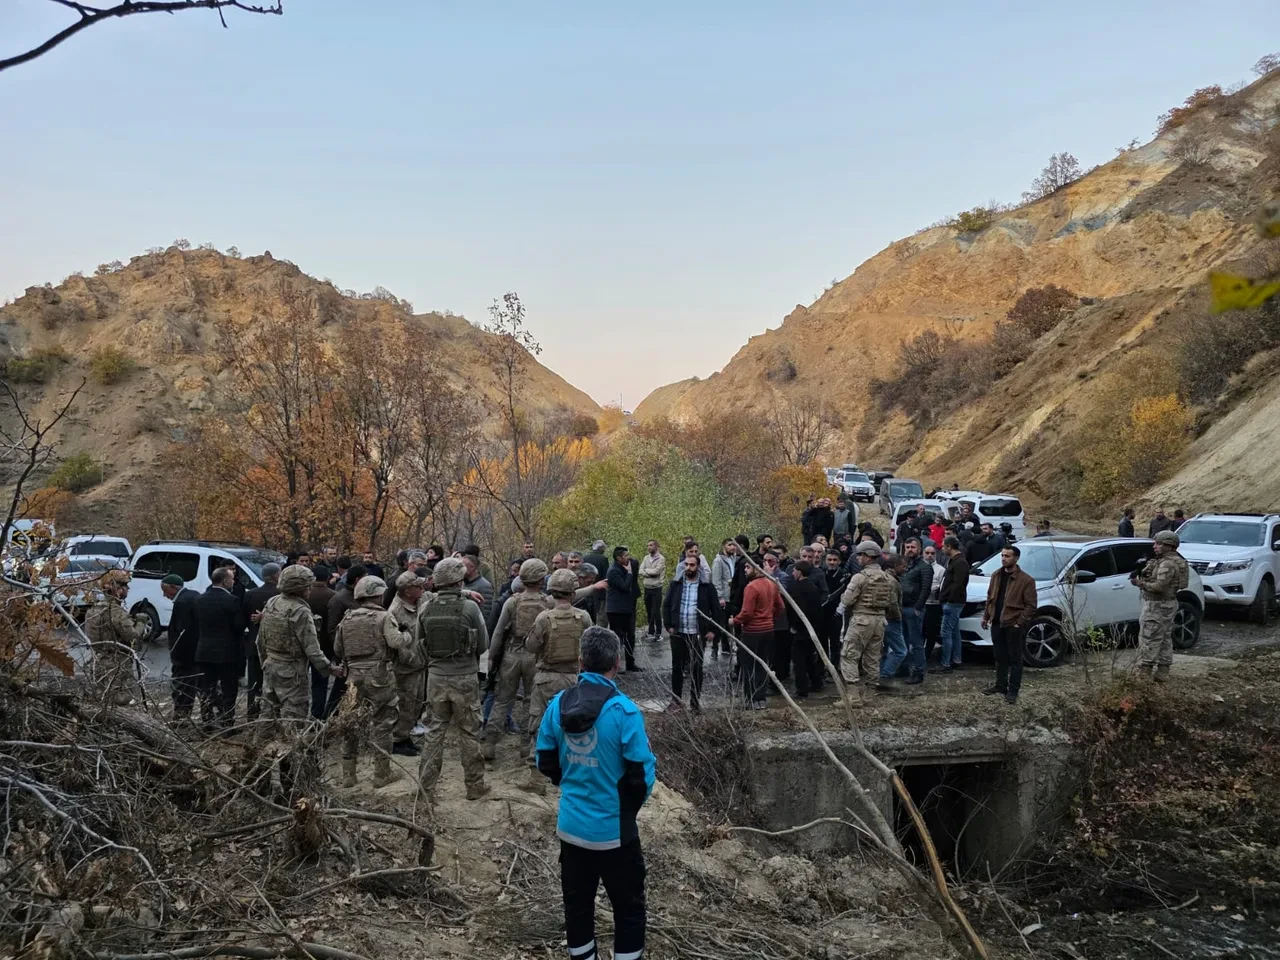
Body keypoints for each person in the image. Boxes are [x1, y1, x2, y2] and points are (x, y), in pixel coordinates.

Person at [535, 627, 655, 960]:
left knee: (578, 910)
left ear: (580, 662)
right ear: (616, 663)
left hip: (572, 829)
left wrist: (574, 785)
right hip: (616, 834)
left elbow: (544, 759)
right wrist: (626, 810)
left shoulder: (558, 705)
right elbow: (641, 776)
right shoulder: (624, 712)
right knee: (629, 910)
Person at [415, 557, 490, 801]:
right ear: (460, 580)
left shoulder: (426, 608)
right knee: (468, 732)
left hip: (435, 678)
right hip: (464, 677)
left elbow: (419, 644)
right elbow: (483, 645)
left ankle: (426, 789)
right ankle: (475, 786)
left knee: (434, 732)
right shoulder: (470, 608)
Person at [522, 568, 594, 793]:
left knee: (539, 724)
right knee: (572, 726)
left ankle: (536, 779)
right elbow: (590, 647)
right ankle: (571, 773)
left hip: (546, 678)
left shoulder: (544, 617)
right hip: (573, 679)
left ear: (552, 592)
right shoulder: (583, 617)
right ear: (573, 592)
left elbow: (531, 646)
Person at [335, 575, 408, 788]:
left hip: (353, 678)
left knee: (349, 723)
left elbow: (338, 649)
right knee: (383, 722)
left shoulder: (347, 618)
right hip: (379, 676)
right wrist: (408, 636)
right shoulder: (383, 617)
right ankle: (381, 773)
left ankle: (348, 774)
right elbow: (395, 642)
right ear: (378, 595)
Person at [257, 564, 343, 738]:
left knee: (267, 713)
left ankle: (260, 752)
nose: (310, 589)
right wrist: (331, 669)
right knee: (294, 719)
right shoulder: (301, 611)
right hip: (292, 672)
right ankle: (291, 759)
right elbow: (312, 650)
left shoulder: (273, 602)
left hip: (270, 666)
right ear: (300, 588)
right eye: (308, 585)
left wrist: (265, 662)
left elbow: (260, 640)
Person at [484, 558, 553, 757]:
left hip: (511, 655)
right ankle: (526, 745)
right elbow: (568, 599)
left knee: (502, 699)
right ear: (541, 579)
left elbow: (498, 632)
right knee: (531, 702)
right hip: (535, 657)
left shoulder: (512, 601)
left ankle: (489, 743)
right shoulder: (547, 601)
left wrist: (490, 656)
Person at [981, 546, 1037, 704]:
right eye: (1002, 555)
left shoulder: (1026, 580)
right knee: (999, 656)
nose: (1004, 558)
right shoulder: (996, 575)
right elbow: (990, 597)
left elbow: (1031, 606)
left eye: (1007, 556)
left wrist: (1020, 622)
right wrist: (986, 617)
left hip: (1013, 624)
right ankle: (1000, 685)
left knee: (1015, 658)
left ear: (1016, 558)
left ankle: (1013, 690)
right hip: (997, 622)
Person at [663, 553, 718, 713]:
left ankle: (695, 703)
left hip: (697, 633)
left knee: (696, 668)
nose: (688, 568)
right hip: (679, 632)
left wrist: (713, 630)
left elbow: (716, 609)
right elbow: (666, 605)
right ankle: (676, 701)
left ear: (698, 567)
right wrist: (669, 625)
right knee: (677, 667)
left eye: (692, 565)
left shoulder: (706, 586)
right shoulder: (676, 584)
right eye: (686, 564)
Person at [1133, 530, 1189, 682]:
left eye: (1158, 544)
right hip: (1166, 604)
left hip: (1158, 605)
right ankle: (1162, 673)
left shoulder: (1167, 564)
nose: (1154, 546)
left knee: (1149, 637)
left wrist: (1140, 584)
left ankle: (1144, 673)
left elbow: (1160, 587)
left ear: (1169, 546)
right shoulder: (1167, 561)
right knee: (1164, 637)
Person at [85, 570, 147, 706]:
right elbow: (133, 636)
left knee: (101, 700)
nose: (128, 589)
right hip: (118, 663)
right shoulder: (116, 612)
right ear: (117, 589)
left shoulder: (93, 610)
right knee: (122, 701)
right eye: (125, 586)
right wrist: (141, 622)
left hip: (98, 661)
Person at [838, 542, 894, 694]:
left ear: (868, 557)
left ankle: (853, 695)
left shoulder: (859, 577)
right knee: (873, 657)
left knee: (849, 655)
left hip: (861, 620)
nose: (858, 558)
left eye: (860, 555)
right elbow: (892, 602)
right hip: (879, 621)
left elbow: (847, 600)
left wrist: (843, 597)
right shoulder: (887, 577)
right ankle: (869, 695)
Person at [194, 567, 246, 729]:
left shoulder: (201, 599)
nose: (233, 581)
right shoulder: (232, 601)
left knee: (207, 687)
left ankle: (207, 720)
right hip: (227, 652)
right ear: (225, 581)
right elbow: (238, 626)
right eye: (231, 579)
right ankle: (227, 722)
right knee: (229, 688)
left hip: (204, 650)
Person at [729, 558, 782, 709]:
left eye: (748, 567)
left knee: (749, 666)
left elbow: (746, 613)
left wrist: (734, 621)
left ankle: (751, 699)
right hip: (768, 630)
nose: (745, 570)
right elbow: (780, 607)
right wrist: (770, 618)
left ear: (758, 569)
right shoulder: (772, 584)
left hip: (752, 631)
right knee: (763, 664)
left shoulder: (751, 587)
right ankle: (761, 698)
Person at [388, 570, 428, 755]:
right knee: (405, 703)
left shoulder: (421, 600)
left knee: (417, 702)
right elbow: (396, 644)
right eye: (417, 586)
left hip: (420, 665)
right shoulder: (395, 611)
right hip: (405, 667)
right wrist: (412, 659)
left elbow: (435, 595)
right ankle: (398, 740)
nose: (422, 588)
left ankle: (406, 736)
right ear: (407, 591)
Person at [323, 563, 366, 717]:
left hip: (358, 652)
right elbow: (332, 630)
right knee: (339, 690)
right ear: (357, 579)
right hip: (347, 654)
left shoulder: (358, 596)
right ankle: (328, 718)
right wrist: (342, 652)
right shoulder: (340, 599)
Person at [241, 562, 280, 724]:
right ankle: (273, 715)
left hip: (254, 643)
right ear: (275, 576)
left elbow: (243, 619)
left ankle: (252, 715)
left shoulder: (251, 594)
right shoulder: (281, 595)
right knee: (276, 683)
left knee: (254, 682)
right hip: (275, 645)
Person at [163, 573, 201, 720]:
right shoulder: (192, 596)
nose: (164, 595)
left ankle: (181, 719)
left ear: (173, 588)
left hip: (185, 659)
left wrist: (177, 656)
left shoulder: (183, 602)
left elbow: (182, 633)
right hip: (194, 655)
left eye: (165, 591)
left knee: (183, 689)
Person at [786, 559, 826, 697]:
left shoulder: (796, 589)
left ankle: (802, 689)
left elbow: (795, 610)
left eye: (794, 570)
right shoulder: (813, 588)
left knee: (799, 661)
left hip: (801, 630)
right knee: (809, 658)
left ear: (799, 572)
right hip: (812, 629)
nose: (792, 573)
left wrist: (794, 626)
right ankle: (816, 683)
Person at [933, 538, 970, 674]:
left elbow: (958, 584)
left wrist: (948, 599)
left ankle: (946, 663)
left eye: (943, 547)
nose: (942, 549)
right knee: (954, 632)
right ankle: (956, 659)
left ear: (949, 547)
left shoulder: (960, 562)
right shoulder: (955, 561)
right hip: (952, 601)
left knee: (946, 633)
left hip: (953, 603)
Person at [899, 539, 931, 685]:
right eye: (907, 547)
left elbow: (925, 589)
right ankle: (905, 668)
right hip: (902, 608)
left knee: (916, 643)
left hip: (914, 609)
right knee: (903, 640)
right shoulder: (904, 566)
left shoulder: (924, 567)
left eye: (913, 547)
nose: (910, 549)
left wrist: (918, 608)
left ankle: (918, 672)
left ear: (919, 549)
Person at [605, 546, 642, 671]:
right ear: (619, 558)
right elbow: (625, 586)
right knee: (617, 637)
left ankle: (631, 664)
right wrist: (630, 573)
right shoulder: (613, 571)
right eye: (626, 556)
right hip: (616, 609)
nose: (628, 558)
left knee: (630, 636)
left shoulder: (625, 567)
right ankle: (616, 665)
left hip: (626, 608)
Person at [308, 564, 336, 719]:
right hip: (324, 645)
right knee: (320, 683)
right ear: (327, 578)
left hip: (302, 646)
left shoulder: (304, 594)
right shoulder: (333, 595)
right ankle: (317, 715)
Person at [922, 543, 946, 660]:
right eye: (927, 553)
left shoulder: (941, 570)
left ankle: (927, 654)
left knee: (931, 632)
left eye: (932, 553)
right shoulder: (919, 567)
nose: (929, 556)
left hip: (934, 605)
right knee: (920, 631)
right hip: (921, 604)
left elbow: (941, 587)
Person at [638, 539, 666, 639]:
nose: (649, 547)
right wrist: (648, 573)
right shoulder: (646, 558)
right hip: (647, 587)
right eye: (648, 545)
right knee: (649, 610)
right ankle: (651, 631)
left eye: (651, 545)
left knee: (656, 611)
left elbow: (656, 572)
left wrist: (646, 572)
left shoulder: (661, 559)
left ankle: (658, 632)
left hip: (656, 588)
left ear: (656, 546)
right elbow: (640, 571)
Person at [462, 554, 494, 623]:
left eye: (463, 566)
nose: (460, 569)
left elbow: (485, 614)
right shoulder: (461, 583)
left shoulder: (485, 586)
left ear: (472, 567)